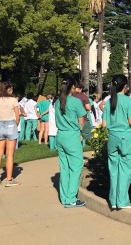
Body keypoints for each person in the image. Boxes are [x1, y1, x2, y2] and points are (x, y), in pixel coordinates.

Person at [102, 75, 131, 210]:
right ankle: (122, 201)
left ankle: (113, 200)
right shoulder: (129, 101)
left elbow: (104, 124)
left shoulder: (109, 102)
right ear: (125, 86)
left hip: (113, 137)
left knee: (113, 169)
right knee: (126, 170)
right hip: (126, 137)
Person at [55, 77, 87, 208]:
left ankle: (65, 197)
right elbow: (81, 120)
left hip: (61, 135)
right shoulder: (75, 102)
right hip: (72, 135)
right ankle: (71, 198)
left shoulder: (58, 101)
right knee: (76, 167)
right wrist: (80, 132)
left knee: (64, 167)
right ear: (72, 87)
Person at [0, 81, 21, 187]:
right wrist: (15, 124)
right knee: (9, 154)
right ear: (7, 89)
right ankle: (9, 179)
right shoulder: (13, 100)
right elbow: (17, 116)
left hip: (0, 124)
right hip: (11, 123)